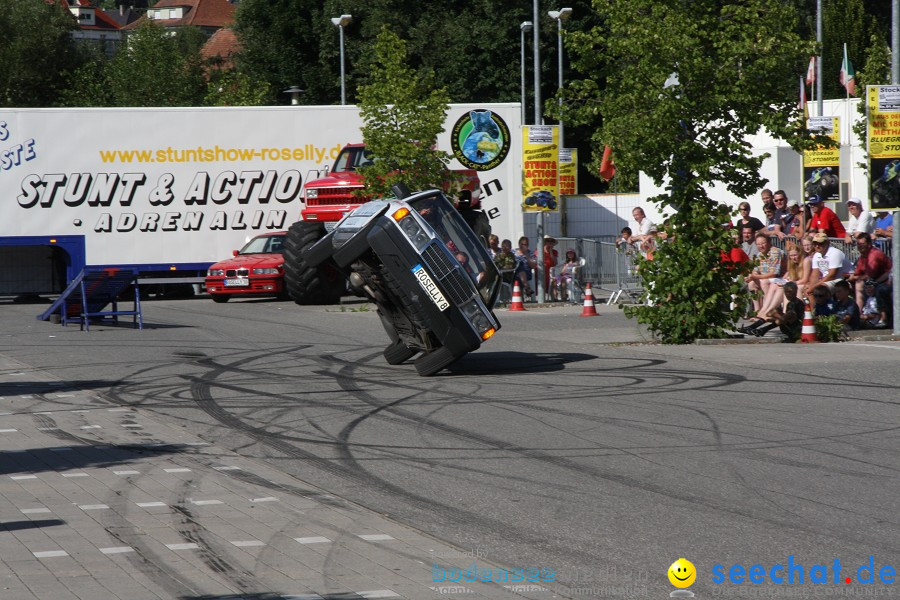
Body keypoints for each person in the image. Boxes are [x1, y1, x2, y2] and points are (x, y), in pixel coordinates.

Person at [848, 232, 893, 317]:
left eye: (862, 244)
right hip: (874, 280)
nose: (860, 246)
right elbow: (858, 272)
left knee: (859, 284)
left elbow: (870, 275)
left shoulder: (874, 254)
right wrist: (852, 277)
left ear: (869, 244)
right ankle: (854, 313)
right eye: (858, 244)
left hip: (886, 280)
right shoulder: (863, 256)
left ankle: (859, 314)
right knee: (847, 285)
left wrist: (854, 277)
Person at [807, 232, 852, 303]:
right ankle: (814, 312)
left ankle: (828, 312)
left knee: (821, 289)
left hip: (843, 279)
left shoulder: (835, 253)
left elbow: (832, 276)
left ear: (827, 243)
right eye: (815, 244)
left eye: (820, 243)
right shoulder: (816, 255)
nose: (817, 246)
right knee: (807, 289)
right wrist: (810, 287)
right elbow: (814, 275)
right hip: (828, 279)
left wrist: (814, 287)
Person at [745, 232, 784, 314]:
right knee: (751, 284)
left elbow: (773, 274)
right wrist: (751, 276)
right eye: (758, 244)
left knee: (764, 282)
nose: (761, 246)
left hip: (780, 278)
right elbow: (755, 271)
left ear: (769, 242)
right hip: (764, 278)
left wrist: (755, 276)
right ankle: (757, 310)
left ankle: (768, 310)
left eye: (763, 243)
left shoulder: (775, 252)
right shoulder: (759, 255)